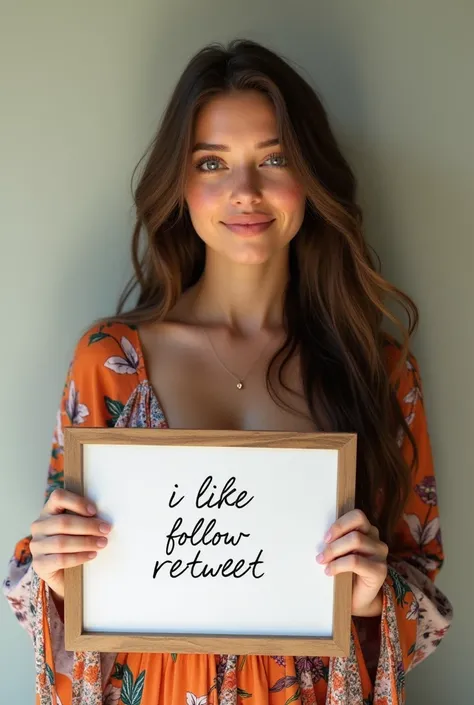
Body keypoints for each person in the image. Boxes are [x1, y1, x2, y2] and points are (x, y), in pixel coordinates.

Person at [3, 39, 452, 705]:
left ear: (311, 177)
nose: (245, 191)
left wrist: (370, 592)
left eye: (274, 159)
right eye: (212, 163)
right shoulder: (110, 362)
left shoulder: (379, 369)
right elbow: (48, 600)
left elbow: (425, 606)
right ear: (180, 186)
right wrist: (55, 568)